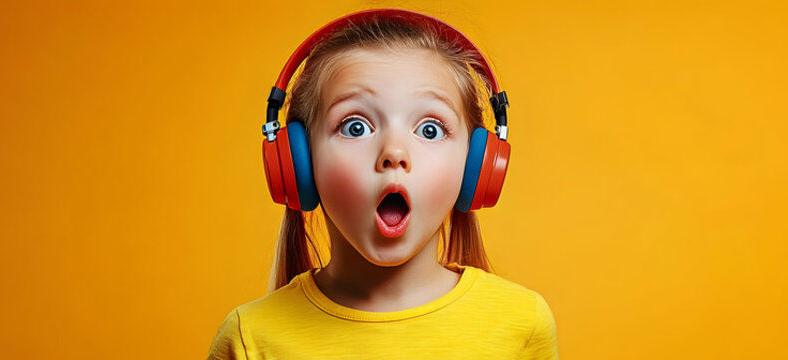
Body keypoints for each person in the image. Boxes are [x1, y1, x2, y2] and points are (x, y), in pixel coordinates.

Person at [207, 9, 557, 359]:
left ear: (475, 165)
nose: (394, 153)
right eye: (355, 127)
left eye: (430, 130)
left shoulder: (522, 325)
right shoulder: (249, 338)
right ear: (299, 162)